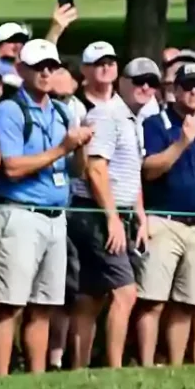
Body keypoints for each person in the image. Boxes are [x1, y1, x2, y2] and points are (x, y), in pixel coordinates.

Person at [0, 40, 89, 374]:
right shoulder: (9, 110)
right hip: (20, 213)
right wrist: (63, 148)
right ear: (21, 70)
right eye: (38, 67)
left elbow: (77, 171)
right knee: (10, 303)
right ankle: (1, 377)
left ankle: (37, 377)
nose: (46, 73)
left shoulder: (61, 111)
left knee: (44, 305)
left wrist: (81, 147)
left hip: (55, 216)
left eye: (51, 66)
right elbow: (11, 167)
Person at [65, 42, 145, 370]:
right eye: (98, 62)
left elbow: (129, 173)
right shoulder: (103, 115)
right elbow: (96, 170)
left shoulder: (122, 112)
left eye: (110, 61)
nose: (106, 67)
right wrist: (112, 218)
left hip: (108, 212)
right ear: (85, 70)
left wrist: (138, 215)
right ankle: (115, 370)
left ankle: (78, 369)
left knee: (91, 296)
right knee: (126, 293)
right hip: (97, 212)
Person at [137, 66, 195, 366]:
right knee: (153, 301)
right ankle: (146, 366)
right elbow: (149, 170)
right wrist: (182, 141)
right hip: (164, 220)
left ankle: (175, 366)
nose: (194, 92)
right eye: (188, 86)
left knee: (187, 303)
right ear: (176, 89)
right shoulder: (157, 123)